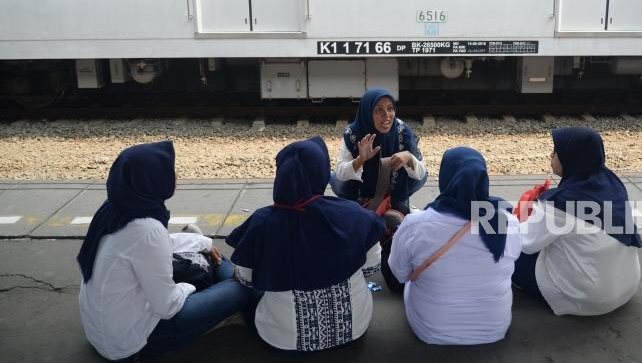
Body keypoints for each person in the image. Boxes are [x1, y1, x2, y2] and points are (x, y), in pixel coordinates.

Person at [77, 141, 250, 361]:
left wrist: (202, 242)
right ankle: (233, 282)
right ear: (151, 179)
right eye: (168, 171)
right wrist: (188, 287)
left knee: (204, 254)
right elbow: (168, 306)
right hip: (131, 345)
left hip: (103, 332)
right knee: (241, 289)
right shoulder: (147, 230)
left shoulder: (114, 209)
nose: (175, 176)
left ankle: (219, 271)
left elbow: (159, 245)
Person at [227, 137, 387, 352]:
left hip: (282, 340)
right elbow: (371, 267)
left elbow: (246, 279)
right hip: (353, 330)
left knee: (244, 288)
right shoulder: (354, 215)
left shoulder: (262, 223)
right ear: (320, 173)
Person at [388, 147, 521, 345]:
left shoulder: (417, 224)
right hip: (494, 329)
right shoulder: (507, 222)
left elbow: (399, 274)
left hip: (432, 330)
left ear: (446, 177)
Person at [512, 127, 642, 316]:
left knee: (503, 247)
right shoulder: (612, 182)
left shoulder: (561, 202)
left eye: (556, 152)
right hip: (625, 286)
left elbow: (528, 243)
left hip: (587, 298)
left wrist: (519, 219)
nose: (551, 155)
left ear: (570, 157)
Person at [330, 88, 427, 213]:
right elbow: (341, 174)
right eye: (379, 110)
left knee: (420, 173)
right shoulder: (353, 133)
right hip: (359, 190)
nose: (387, 115)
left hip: (394, 188)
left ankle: (394, 201)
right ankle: (361, 202)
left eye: (390, 108)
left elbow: (421, 171)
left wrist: (408, 158)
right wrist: (360, 160)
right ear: (367, 112)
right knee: (335, 178)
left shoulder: (402, 130)